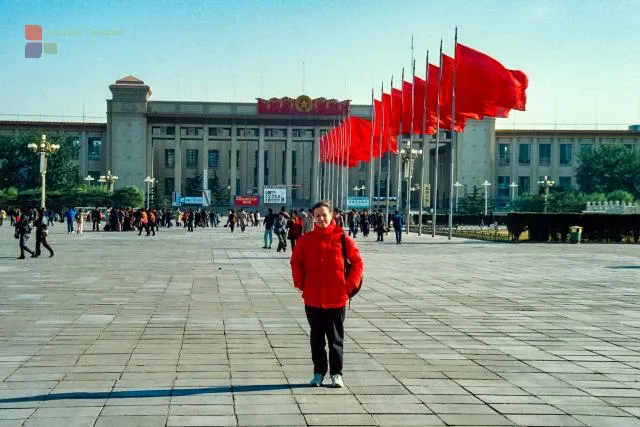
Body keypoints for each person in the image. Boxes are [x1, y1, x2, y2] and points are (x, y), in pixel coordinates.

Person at [290, 200, 364, 388]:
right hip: (313, 298)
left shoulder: (342, 239)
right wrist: (300, 282)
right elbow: (296, 262)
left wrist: (349, 286)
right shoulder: (305, 240)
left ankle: (336, 373)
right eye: (317, 216)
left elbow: (357, 263)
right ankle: (318, 373)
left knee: (335, 339)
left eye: (324, 215)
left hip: (336, 298)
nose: (321, 218)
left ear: (332, 215)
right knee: (316, 338)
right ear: (313, 218)